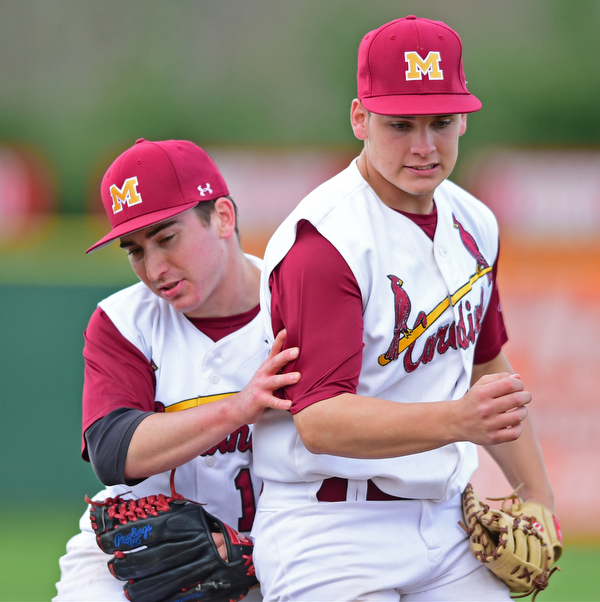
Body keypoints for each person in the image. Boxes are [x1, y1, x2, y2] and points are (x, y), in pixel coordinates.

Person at [251, 15, 556, 601]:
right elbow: (319, 420)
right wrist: (456, 422)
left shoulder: (475, 221)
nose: (424, 146)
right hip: (331, 527)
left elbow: (488, 369)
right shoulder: (327, 242)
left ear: (463, 118)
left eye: (442, 122)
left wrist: (537, 496)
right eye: (400, 124)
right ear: (360, 119)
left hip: (446, 519)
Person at [53, 138, 300, 601]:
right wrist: (237, 409)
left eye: (166, 238)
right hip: (140, 549)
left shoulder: (298, 306)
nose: (154, 267)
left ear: (223, 217)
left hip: (279, 547)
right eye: (135, 250)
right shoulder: (122, 321)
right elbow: (112, 450)